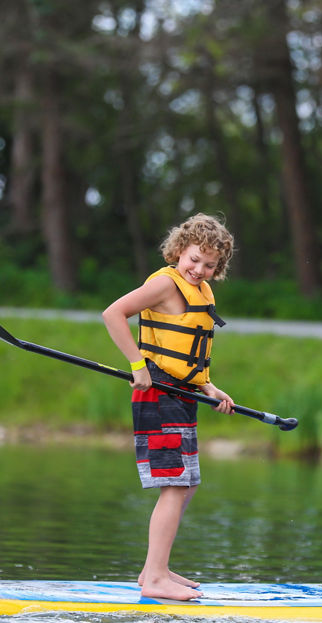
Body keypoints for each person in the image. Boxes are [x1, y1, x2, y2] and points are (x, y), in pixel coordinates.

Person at [102, 212, 236, 601]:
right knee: (175, 483)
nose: (200, 269)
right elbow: (113, 314)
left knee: (187, 482)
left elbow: (187, 356)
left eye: (210, 265)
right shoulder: (164, 284)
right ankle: (157, 576)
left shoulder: (201, 293)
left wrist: (209, 388)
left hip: (182, 392)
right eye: (195, 259)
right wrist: (136, 364)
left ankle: (152, 569)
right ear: (180, 250)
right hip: (157, 390)